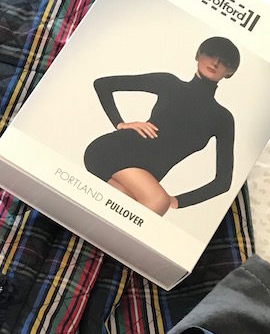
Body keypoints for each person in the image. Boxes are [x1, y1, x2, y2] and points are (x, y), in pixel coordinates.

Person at [83, 36, 240, 215]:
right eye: (211, 54)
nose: (216, 63)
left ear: (229, 72)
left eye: (225, 61)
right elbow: (103, 85)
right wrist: (120, 123)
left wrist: (179, 201)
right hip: (114, 150)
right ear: (198, 55)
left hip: (141, 177)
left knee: (121, 214)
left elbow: (223, 182)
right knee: (157, 201)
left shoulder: (222, 118)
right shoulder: (169, 83)